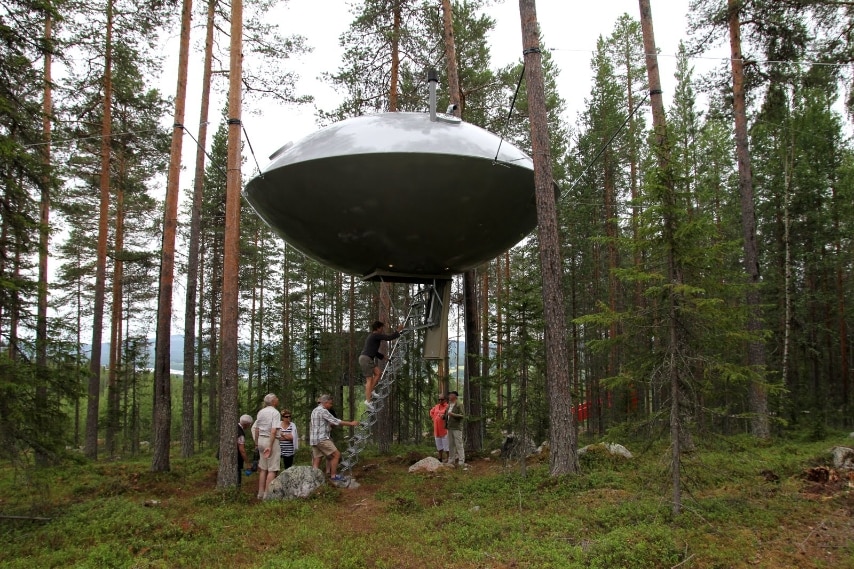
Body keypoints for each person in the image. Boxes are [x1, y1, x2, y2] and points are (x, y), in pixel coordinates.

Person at [310, 394, 358, 482]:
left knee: (317, 458)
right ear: (325, 402)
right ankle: (333, 476)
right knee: (336, 455)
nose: (331, 405)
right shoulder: (323, 411)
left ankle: (313, 479)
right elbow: (336, 421)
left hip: (314, 439)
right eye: (330, 403)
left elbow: (320, 424)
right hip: (322, 439)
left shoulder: (315, 410)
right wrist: (351, 423)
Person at [358, 320, 404, 411]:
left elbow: (374, 351)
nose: (382, 330)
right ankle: (368, 401)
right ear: (378, 328)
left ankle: (371, 390)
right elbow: (389, 338)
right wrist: (398, 331)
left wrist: (383, 357)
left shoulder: (373, 337)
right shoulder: (375, 335)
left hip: (368, 358)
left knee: (378, 373)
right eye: (382, 328)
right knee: (369, 380)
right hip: (365, 358)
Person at [252, 393, 281, 499]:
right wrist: (270, 445)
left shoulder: (261, 412)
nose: (278, 399)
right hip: (271, 441)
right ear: (273, 401)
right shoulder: (275, 413)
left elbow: (257, 429)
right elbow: (273, 431)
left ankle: (260, 493)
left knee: (263, 468)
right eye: (276, 398)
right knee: (272, 469)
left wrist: (256, 443)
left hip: (261, 440)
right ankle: (267, 495)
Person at [443, 391, 465, 467]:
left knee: (459, 444)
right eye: (449, 395)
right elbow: (447, 415)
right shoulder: (449, 405)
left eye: (450, 395)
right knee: (451, 444)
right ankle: (451, 459)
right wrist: (443, 416)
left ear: (455, 396)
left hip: (457, 427)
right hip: (449, 427)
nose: (449, 397)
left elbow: (462, 415)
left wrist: (453, 414)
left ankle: (461, 460)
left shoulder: (459, 404)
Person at [429, 395, 449, 462]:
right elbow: (431, 412)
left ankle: (448, 458)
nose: (440, 401)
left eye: (442, 399)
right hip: (436, 429)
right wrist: (434, 418)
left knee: (446, 445)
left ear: (445, 400)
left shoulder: (447, 406)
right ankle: (440, 457)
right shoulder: (436, 406)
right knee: (439, 445)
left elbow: (448, 415)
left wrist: (444, 416)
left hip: (444, 429)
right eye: (439, 399)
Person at [236, 414, 253, 485]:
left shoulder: (233, 426)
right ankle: (237, 489)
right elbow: (242, 450)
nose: (249, 426)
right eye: (249, 424)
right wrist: (248, 463)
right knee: (237, 473)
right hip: (235, 457)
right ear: (246, 424)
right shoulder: (240, 434)